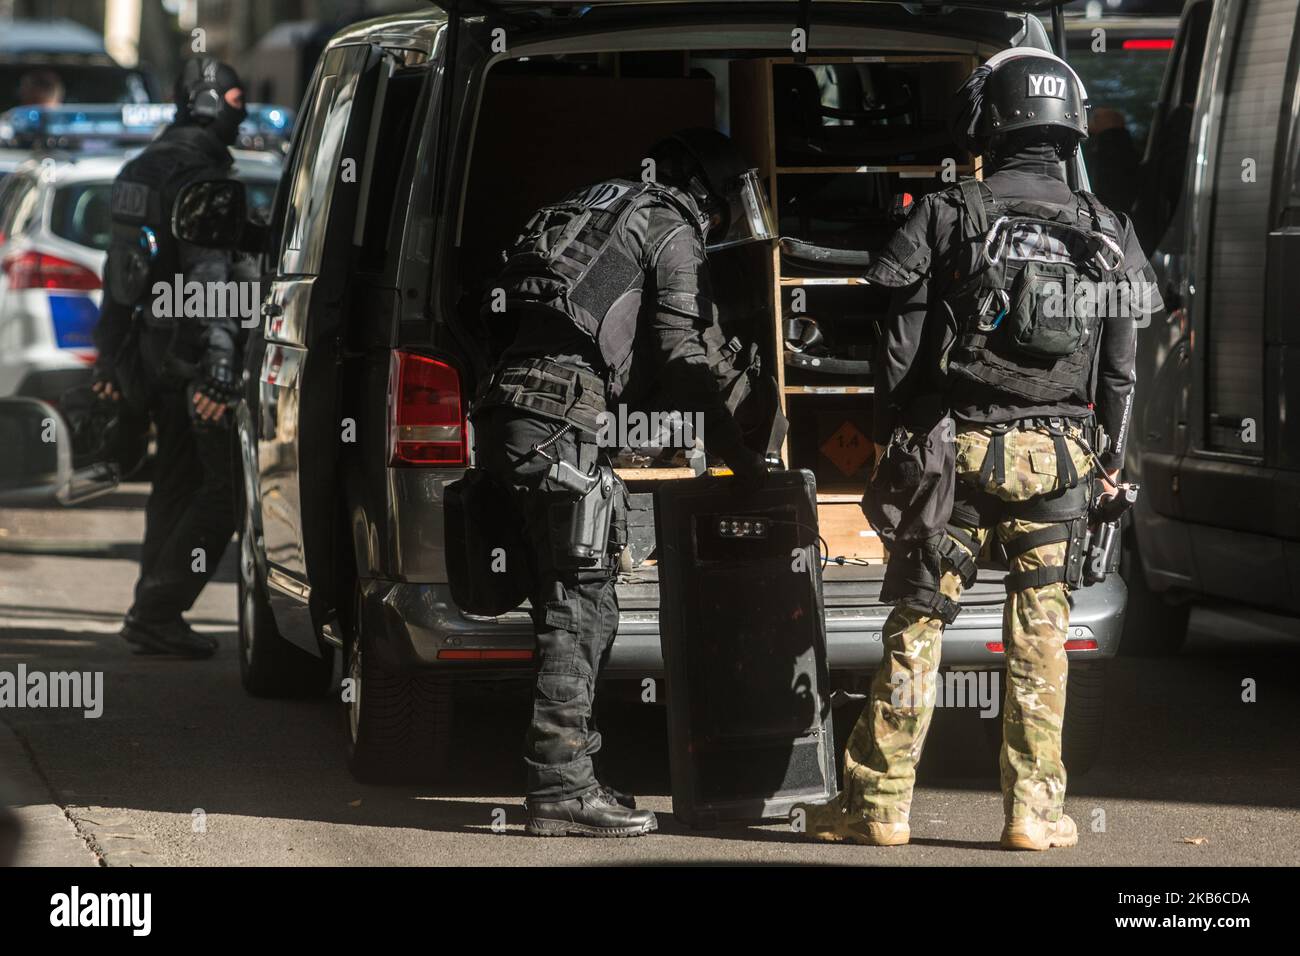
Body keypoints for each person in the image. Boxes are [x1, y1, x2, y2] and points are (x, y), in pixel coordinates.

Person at [800, 50, 1158, 851]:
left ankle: (877, 808)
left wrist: (907, 435)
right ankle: (1034, 813)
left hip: (953, 461)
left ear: (985, 121)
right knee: (1042, 639)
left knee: (917, 629)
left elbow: (896, 346)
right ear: (1067, 124)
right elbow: (1125, 374)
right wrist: (1109, 470)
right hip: (1063, 466)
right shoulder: (1109, 228)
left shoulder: (948, 213)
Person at [472, 128, 773, 837]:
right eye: (725, 205)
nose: (723, 220)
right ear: (707, 188)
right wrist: (743, 460)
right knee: (581, 607)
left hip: (509, 412)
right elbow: (681, 354)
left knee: (563, 599)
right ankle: (559, 791)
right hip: (559, 423)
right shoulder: (669, 222)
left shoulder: (591, 207)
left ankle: (575, 776)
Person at [92, 57, 249, 659]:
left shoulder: (140, 168)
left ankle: (150, 611)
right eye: (236, 98)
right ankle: (161, 605)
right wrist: (219, 365)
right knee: (225, 492)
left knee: (175, 483)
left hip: (145, 350)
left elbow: (116, 275)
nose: (242, 111)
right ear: (211, 103)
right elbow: (210, 278)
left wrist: (110, 358)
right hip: (189, 355)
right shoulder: (198, 174)